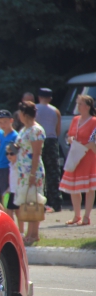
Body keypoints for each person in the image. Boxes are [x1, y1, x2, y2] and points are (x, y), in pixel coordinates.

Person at [59, 95, 96, 226]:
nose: (78, 106)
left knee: (89, 188)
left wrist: (85, 148)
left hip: (88, 156)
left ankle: (86, 216)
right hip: (75, 155)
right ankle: (77, 215)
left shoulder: (94, 121)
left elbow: (93, 141)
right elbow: (70, 135)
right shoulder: (75, 119)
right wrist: (70, 140)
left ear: (87, 106)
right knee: (74, 186)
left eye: (80, 104)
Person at [14, 101, 46, 246]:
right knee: (25, 201)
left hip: (33, 171)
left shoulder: (36, 130)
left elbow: (36, 153)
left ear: (25, 114)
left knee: (34, 201)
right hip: (22, 172)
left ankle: (34, 234)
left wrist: (33, 174)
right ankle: (29, 233)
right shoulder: (23, 129)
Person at [36, 88, 62, 212]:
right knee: (53, 172)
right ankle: (56, 202)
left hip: (37, 140)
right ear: (50, 98)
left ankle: (42, 201)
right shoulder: (55, 111)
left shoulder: (35, 109)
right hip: (51, 140)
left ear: (39, 97)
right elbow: (58, 130)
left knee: (39, 171)